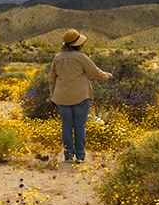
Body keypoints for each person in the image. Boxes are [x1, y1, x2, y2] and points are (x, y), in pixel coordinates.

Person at [49, 29, 114, 163]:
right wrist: (108, 76)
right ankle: (80, 156)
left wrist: (53, 97)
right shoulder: (81, 57)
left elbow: (52, 79)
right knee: (79, 126)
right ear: (78, 44)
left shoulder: (57, 58)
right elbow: (94, 72)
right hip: (81, 96)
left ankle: (68, 155)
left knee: (66, 126)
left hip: (61, 97)